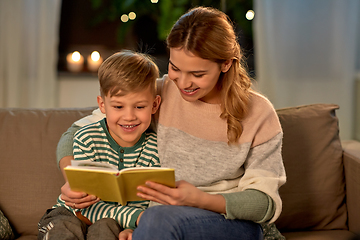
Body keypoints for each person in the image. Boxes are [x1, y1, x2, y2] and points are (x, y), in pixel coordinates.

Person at [56, 6, 286, 240]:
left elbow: (264, 203)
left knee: (158, 219)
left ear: (225, 64)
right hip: (159, 223)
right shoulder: (160, 93)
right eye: (175, 68)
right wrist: (74, 180)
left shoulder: (258, 113)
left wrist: (198, 199)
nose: (183, 83)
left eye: (197, 74)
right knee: (155, 220)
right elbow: (76, 132)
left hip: (228, 223)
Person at [38, 50, 161, 240]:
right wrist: (137, 219)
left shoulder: (155, 149)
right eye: (118, 107)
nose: (129, 116)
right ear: (102, 105)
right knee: (62, 230)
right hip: (71, 213)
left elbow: (147, 205)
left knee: (106, 229)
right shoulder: (87, 138)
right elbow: (87, 204)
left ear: (154, 105)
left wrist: (134, 228)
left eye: (140, 107)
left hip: (113, 223)